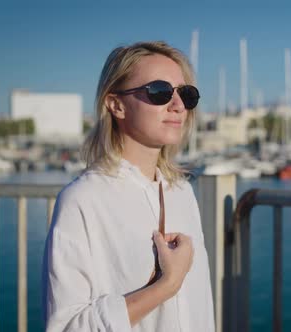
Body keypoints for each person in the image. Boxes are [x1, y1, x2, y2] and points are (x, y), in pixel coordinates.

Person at [42, 41, 215, 331]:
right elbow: (67, 326)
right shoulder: (83, 200)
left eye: (186, 94)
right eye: (159, 92)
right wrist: (167, 285)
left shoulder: (181, 191)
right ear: (116, 105)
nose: (178, 106)